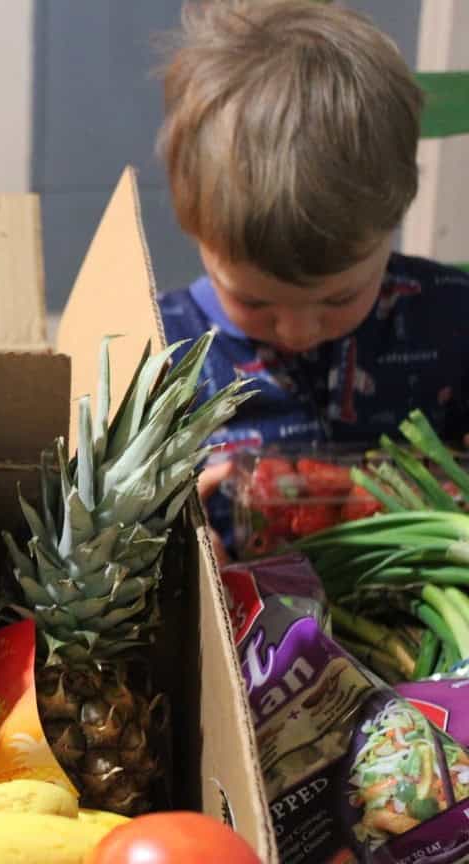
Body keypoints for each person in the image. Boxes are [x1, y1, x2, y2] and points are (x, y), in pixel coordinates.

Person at [155, 0, 469, 560]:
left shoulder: (449, 318)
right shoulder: (164, 353)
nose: (298, 331)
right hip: (241, 623)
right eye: (253, 300)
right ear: (198, 236)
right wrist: (176, 543)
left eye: (339, 297)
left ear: (392, 224)